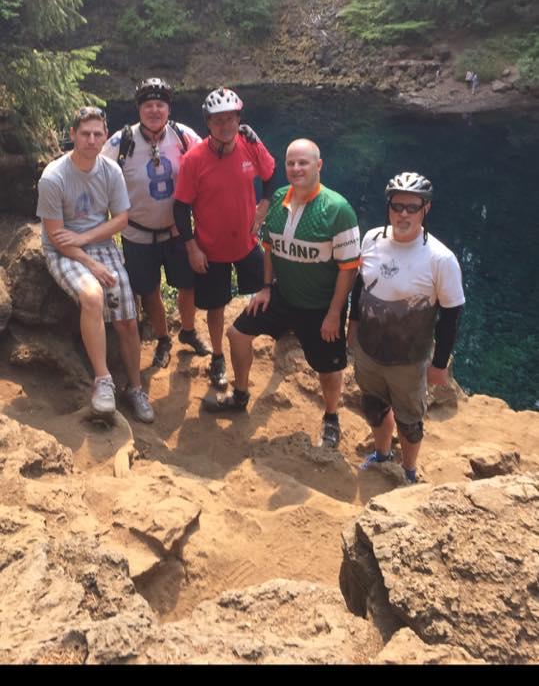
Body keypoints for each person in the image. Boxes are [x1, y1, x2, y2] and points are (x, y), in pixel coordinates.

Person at [222, 138, 361, 450]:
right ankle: (241, 394)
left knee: (328, 368)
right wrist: (266, 287)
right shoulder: (281, 198)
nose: (296, 169)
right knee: (236, 334)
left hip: (319, 305)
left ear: (319, 166)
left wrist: (335, 314)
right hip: (282, 296)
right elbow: (270, 249)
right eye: (291, 163)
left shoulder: (338, 210)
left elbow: (348, 269)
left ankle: (331, 416)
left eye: (303, 163)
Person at [36, 106, 154, 422]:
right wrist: (92, 263)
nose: (91, 140)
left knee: (128, 317)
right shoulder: (54, 177)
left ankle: (135, 387)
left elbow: (121, 220)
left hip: (93, 243)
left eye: (97, 134)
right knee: (92, 296)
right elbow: (57, 237)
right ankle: (103, 381)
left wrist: (86, 239)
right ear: (72, 134)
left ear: (105, 136)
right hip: (64, 251)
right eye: (84, 133)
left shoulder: (110, 171)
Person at [347, 171, 465, 482]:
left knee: (410, 420)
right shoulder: (372, 238)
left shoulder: (441, 259)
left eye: (412, 207)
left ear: (425, 209)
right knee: (373, 406)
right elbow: (360, 286)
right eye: (397, 206)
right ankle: (382, 454)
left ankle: (409, 471)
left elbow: (451, 316)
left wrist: (439, 364)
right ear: (388, 207)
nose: (403, 213)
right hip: (369, 350)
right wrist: (353, 323)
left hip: (409, 359)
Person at [101, 77, 209, 369]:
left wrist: (241, 137)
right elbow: (97, 175)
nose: (154, 110)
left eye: (160, 104)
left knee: (187, 284)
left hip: (177, 231)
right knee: (149, 291)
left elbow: (211, 162)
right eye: (148, 105)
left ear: (168, 108)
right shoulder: (120, 142)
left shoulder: (184, 137)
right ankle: (163, 338)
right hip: (137, 233)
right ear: (139, 109)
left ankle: (188, 331)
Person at [173, 87, 276, 391]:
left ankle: (260, 338)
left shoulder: (249, 145)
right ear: (208, 124)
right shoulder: (195, 159)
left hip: (245, 243)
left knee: (270, 287)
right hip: (211, 248)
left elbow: (270, 177)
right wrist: (192, 248)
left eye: (230, 119)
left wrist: (264, 207)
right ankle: (218, 356)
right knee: (215, 306)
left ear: (238, 119)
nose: (225, 126)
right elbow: (180, 207)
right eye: (218, 121)